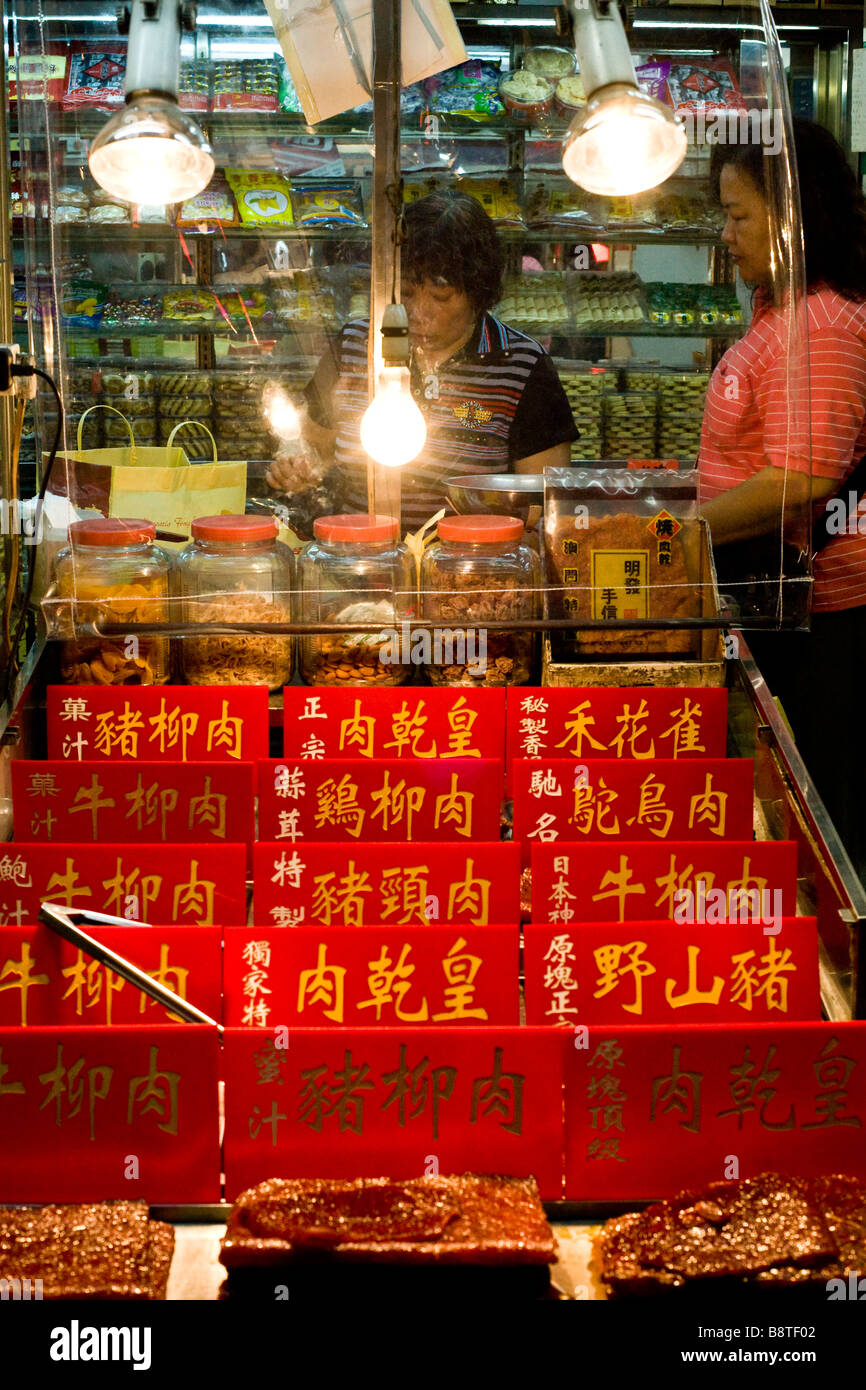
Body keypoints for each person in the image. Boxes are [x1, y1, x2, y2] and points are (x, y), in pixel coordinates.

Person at [698, 117, 866, 880]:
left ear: (793, 216)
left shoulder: (821, 322)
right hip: (785, 605)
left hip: (828, 623)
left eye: (738, 215)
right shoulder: (781, 308)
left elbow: (804, 476)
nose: (726, 234)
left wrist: (673, 530)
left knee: (830, 810)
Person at [266, 190, 578, 531]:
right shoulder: (355, 346)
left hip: (470, 565)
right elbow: (314, 450)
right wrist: (297, 466)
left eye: (441, 296)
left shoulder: (523, 366)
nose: (418, 313)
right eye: (408, 293)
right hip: (358, 554)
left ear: (478, 291)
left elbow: (544, 503)